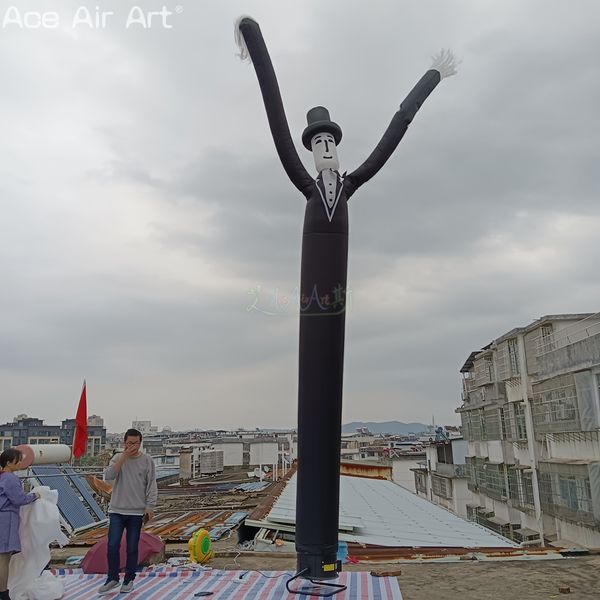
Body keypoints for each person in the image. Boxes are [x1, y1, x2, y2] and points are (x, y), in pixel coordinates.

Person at [98, 429, 157, 595]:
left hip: (136, 512)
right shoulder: (118, 458)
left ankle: (129, 579)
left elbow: (151, 485)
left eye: (136, 443)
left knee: (132, 547)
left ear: (140, 443)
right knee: (112, 545)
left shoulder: (147, 461)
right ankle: (112, 578)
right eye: (130, 443)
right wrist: (123, 457)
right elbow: (108, 476)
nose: (133, 446)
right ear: (124, 443)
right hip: (117, 509)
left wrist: (150, 506)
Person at [0, 448, 39, 600]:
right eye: (18, 460)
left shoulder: (2, 477)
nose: (20, 463)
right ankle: (3, 593)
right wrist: (34, 496)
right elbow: (18, 499)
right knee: (4, 558)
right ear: (9, 462)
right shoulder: (10, 479)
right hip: (6, 518)